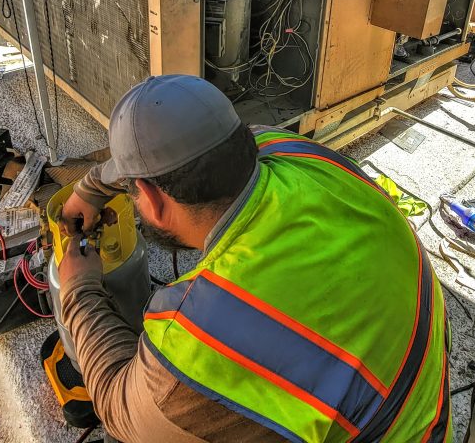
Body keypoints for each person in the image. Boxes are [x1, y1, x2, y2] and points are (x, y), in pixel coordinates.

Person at [58, 74, 451, 443]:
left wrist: (79, 288)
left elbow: (119, 405)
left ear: (155, 201)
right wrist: (92, 188)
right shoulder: (300, 154)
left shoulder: (198, 336)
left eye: (134, 193)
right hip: (423, 408)